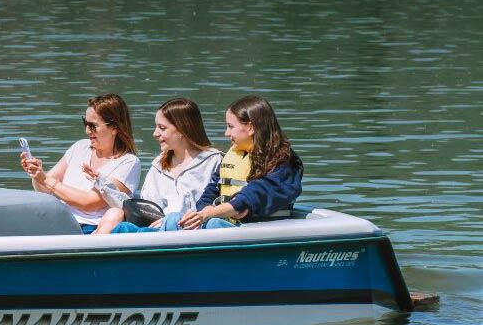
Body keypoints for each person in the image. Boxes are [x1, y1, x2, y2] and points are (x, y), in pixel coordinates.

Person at [160, 95, 303, 231]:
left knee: (213, 224)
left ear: (250, 128)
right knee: (173, 219)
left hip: (256, 230)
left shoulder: (283, 163)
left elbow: (254, 194)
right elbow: (212, 189)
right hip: (227, 223)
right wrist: (205, 209)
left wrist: (210, 214)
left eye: (230, 126)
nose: (226, 133)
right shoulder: (235, 155)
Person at [94, 98, 221, 234]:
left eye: (162, 128)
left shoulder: (214, 161)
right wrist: (104, 185)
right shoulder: (158, 165)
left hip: (193, 232)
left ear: (182, 129)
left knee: (172, 219)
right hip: (157, 232)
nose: (155, 134)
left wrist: (169, 221)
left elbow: (217, 207)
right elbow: (145, 210)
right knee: (123, 228)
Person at [21, 93, 140, 234]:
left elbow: (89, 202)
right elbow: (44, 190)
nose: (87, 130)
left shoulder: (128, 162)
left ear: (114, 128)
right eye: (86, 123)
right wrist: (36, 174)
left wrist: (46, 180)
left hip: (92, 228)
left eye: (93, 126)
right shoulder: (80, 147)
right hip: (60, 220)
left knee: (115, 213)